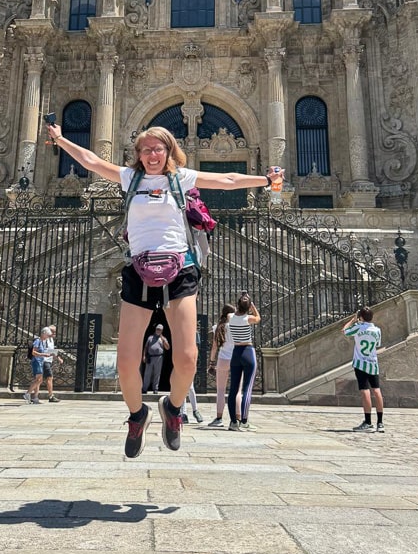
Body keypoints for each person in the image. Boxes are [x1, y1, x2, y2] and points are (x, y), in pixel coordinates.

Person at [45, 119, 278, 458]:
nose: (152, 154)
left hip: (180, 268)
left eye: (158, 148)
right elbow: (92, 162)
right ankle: (138, 415)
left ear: (169, 150)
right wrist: (63, 140)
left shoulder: (181, 178)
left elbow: (228, 180)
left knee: (187, 358)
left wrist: (266, 180)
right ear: (137, 154)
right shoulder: (130, 178)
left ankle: (173, 408)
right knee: (126, 361)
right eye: (145, 149)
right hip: (139, 270)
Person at [343, 306, 384, 432]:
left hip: (360, 363)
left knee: (365, 390)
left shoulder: (358, 328)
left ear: (361, 317)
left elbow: (344, 331)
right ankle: (380, 422)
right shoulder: (377, 330)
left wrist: (353, 320)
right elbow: (378, 344)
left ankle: (367, 421)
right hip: (373, 362)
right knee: (377, 390)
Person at [226, 292, 261, 431]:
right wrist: (252, 305)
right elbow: (258, 317)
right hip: (248, 351)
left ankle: (233, 422)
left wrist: (242, 302)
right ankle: (244, 421)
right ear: (248, 308)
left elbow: (234, 312)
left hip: (236, 353)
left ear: (237, 305)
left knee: (233, 389)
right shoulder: (249, 318)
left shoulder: (230, 317)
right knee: (247, 388)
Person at [207, 303, 238, 427]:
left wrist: (211, 362)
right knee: (238, 391)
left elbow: (214, 347)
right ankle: (237, 419)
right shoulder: (237, 326)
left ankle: (219, 418)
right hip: (236, 358)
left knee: (220, 390)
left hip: (223, 358)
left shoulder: (218, 327)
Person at [24, 325, 63, 404]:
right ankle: (30, 394)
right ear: (45, 333)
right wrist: (44, 355)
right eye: (52, 332)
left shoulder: (45, 340)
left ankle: (33, 396)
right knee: (42, 378)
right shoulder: (39, 341)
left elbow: (49, 350)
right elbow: (34, 352)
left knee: (39, 379)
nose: (53, 333)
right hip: (39, 361)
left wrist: (56, 357)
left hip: (42, 361)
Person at [142, 323, 169, 393]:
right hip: (150, 357)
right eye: (157, 329)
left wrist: (163, 339)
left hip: (159, 358)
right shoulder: (150, 338)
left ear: (162, 331)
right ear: (155, 329)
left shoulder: (163, 339)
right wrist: (144, 356)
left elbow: (167, 347)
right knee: (147, 373)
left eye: (160, 330)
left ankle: (155, 388)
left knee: (157, 373)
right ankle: (144, 388)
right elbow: (146, 347)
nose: (158, 331)